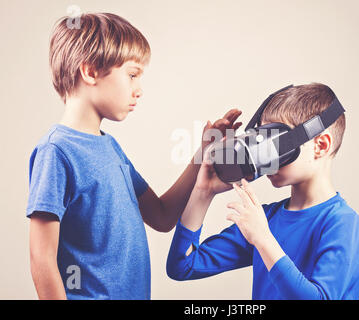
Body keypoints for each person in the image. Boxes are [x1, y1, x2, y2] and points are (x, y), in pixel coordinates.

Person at [26, 12, 242, 300]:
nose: (139, 90)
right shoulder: (56, 152)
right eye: (132, 75)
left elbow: (162, 216)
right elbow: (42, 260)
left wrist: (202, 154)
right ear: (90, 71)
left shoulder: (111, 147)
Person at [166, 83, 359, 299]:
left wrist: (263, 239)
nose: (265, 157)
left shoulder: (341, 223)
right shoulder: (265, 219)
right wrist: (203, 192)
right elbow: (183, 266)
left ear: (321, 145)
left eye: (276, 142)